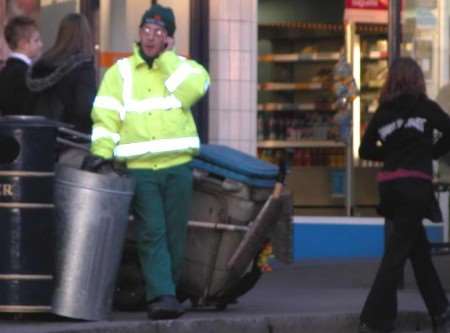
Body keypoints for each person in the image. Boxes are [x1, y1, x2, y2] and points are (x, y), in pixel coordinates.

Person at [83, 3, 210, 320]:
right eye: (146, 30)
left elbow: (196, 89)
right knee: (152, 232)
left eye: (159, 32)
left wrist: (166, 60)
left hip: (177, 168)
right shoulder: (121, 72)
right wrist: (101, 153)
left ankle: (171, 289)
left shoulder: (183, 68)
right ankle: (162, 296)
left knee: (174, 233)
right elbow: (106, 117)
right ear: (138, 33)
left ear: (169, 38)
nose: (151, 37)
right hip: (140, 170)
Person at [358, 57, 450, 333]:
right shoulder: (425, 107)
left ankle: (440, 311)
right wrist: (430, 152)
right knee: (396, 255)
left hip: (390, 188)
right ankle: (374, 319)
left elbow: (364, 150)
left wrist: (391, 152)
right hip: (415, 186)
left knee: (417, 251)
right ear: (418, 80)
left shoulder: (383, 111)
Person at [26, 13, 96, 134]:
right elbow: (84, 109)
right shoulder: (83, 68)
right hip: (69, 139)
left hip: (37, 138)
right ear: (86, 36)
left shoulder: (41, 64)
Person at [0, 15, 42, 115]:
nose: (41, 44)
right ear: (23, 44)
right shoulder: (27, 74)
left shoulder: (4, 72)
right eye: (36, 40)